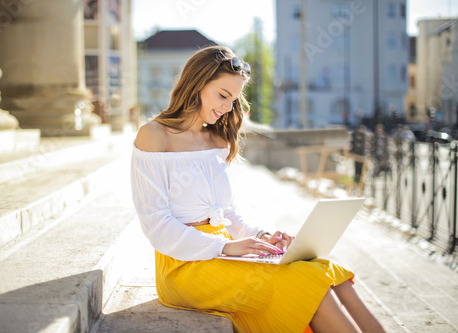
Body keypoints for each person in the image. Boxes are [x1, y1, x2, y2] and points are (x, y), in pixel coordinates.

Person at [131, 45, 386, 333]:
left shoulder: (217, 139)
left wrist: (261, 236)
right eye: (223, 95)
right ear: (197, 84)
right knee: (304, 283)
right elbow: (156, 224)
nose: (228, 108)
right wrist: (224, 246)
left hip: (223, 251)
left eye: (234, 99)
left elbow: (227, 213)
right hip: (183, 266)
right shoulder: (154, 135)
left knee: (323, 268)